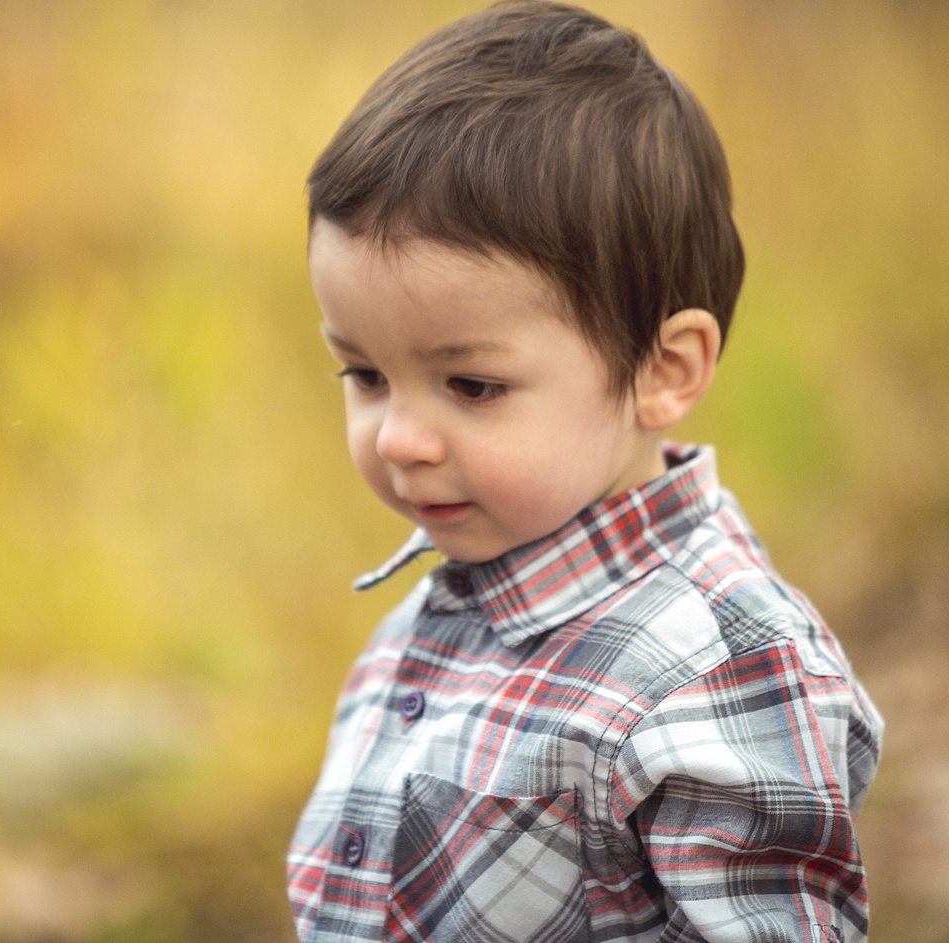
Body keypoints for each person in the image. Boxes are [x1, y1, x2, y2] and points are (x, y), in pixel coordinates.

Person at [286, 3, 881, 939]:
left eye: (471, 384)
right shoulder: (442, 609)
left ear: (663, 369)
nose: (398, 437)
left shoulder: (718, 666)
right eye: (364, 374)